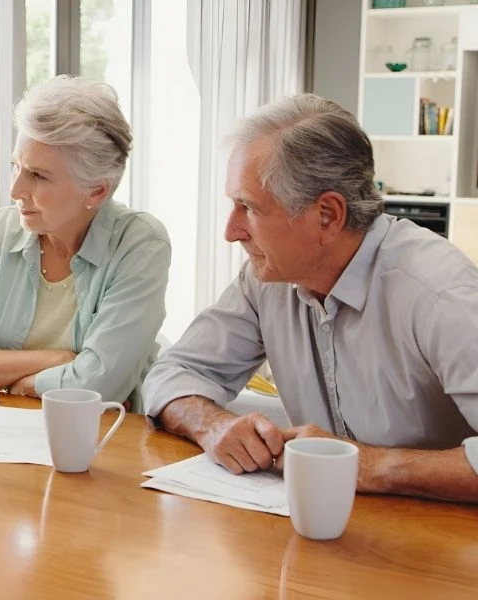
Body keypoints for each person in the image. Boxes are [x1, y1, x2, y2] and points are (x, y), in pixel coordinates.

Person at [143, 93, 478, 503]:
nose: (230, 231)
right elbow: (172, 373)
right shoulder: (265, 279)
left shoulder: (440, 295)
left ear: (327, 215)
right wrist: (211, 425)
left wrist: (371, 465)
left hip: (438, 549)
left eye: (247, 207)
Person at [0, 75, 171, 412]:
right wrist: (58, 360)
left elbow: (97, 386)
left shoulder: (141, 245)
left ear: (97, 191)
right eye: (16, 166)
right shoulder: (1, 231)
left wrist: (16, 383)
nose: (15, 190)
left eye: (38, 175)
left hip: (101, 443)